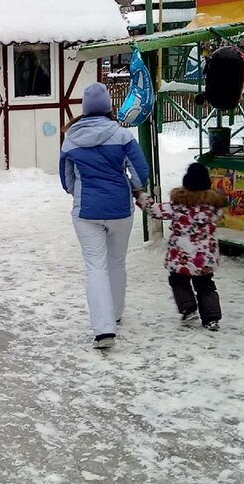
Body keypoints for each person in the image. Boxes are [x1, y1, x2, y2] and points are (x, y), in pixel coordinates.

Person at [59, 82, 150, 350]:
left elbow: (66, 180)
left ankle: (103, 329)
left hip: (87, 212)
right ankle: (116, 312)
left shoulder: (71, 139)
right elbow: (140, 172)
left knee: (95, 267)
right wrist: (135, 189)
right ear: (109, 107)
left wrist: (80, 192)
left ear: (85, 110)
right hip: (120, 209)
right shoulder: (123, 136)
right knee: (117, 261)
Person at [138, 163, 226, 331]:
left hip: (182, 254)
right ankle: (211, 318)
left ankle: (188, 308)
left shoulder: (178, 206)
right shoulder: (213, 207)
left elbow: (155, 210)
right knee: (206, 284)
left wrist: (140, 196)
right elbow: (218, 214)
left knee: (178, 280)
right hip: (204, 255)